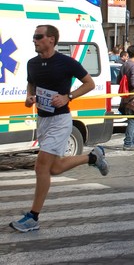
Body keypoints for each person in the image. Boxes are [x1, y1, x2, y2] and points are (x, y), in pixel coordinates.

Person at [10, 25, 109, 233]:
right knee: (53, 168)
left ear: (51, 40)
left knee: (40, 167)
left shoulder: (66, 63)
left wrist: (68, 96)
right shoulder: (32, 63)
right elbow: (31, 85)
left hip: (60, 120)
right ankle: (93, 157)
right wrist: (29, 97)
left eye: (38, 36)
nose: (34, 40)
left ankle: (33, 217)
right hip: (43, 120)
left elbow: (89, 83)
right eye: (34, 36)